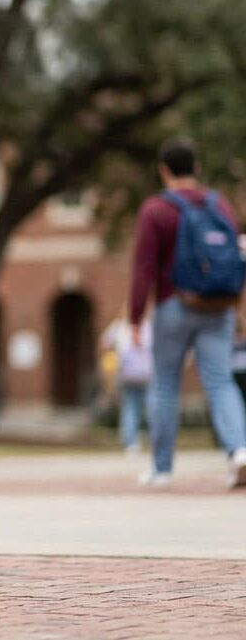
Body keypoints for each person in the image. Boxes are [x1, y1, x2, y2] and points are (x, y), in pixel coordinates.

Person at [128, 137, 246, 487]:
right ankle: (239, 450)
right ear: (195, 168)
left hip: (173, 305)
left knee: (165, 384)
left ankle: (162, 469)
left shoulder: (157, 210)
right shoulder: (219, 205)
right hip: (218, 306)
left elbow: (143, 267)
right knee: (220, 380)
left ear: (163, 170)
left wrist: (135, 317)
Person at [99, 310, 153, 454]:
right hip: (146, 374)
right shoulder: (147, 326)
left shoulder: (119, 326)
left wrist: (113, 353)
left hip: (126, 373)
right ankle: (155, 438)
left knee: (130, 409)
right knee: (150, 407)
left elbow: (104, 342)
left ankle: (131, 442)